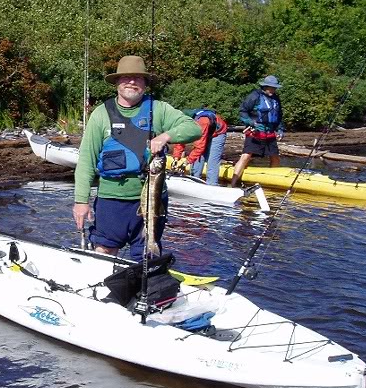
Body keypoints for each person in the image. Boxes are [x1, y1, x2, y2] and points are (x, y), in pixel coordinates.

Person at [72, 55, 202, 261]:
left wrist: (166, 136)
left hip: (153, 199)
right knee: (104, 251)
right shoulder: (100, 114)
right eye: (125, 77)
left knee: (145, 256)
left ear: (145, 83)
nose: (131, 82)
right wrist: (81, 201)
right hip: (111, 200)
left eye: (138, 78)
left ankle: (146, 286)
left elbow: (194, 128)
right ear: (116, 83)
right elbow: (86, 160)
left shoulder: (159, 109)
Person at [230, 75, 284, 188]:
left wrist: (280, 128)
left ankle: (272, 183)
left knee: (275, 157)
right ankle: (232, 184)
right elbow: (243, 112)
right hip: (255, 132)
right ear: (265, 86)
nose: (273, 90)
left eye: (275, 88)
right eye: (271, 88)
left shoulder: (276, 99)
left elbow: (279, 115)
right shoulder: (254, 96)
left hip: (269, 132)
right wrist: (251, 123)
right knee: (246, 156)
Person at [171, 108, 228, 186]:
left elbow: (200, 147)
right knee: (197, 159)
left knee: (212, 161)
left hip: (217, 134)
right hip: (205, 131)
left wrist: (187, 161)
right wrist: (176, 158)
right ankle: (194, 181)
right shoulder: (182, 123)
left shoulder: (202, 122)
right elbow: (180, 140)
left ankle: (212, 184)